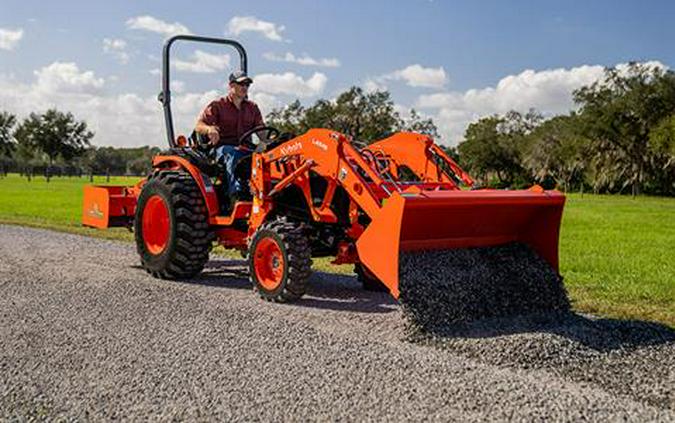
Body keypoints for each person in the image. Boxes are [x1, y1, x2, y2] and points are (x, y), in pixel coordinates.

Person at [195, 70, 264, 203]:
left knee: (268, 157)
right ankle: (237, 195)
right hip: (222, 149)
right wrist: (209, 129)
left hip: (246, 148)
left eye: (247, 84)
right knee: (233, 153)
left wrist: (271, 141)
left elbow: (261, 131)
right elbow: (199, 125)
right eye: (241, 84)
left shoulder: (252, 108)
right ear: (231, 85)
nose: (245, 87)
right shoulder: (218, 105)